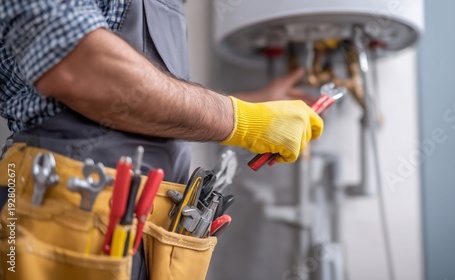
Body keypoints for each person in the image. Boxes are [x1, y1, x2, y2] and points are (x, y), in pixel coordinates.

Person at [0, 0, 323, 279]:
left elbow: (145, 102)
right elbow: (77, 66)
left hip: (156, 233)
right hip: (63, 212)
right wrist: (242, 120)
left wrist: (252, 106)